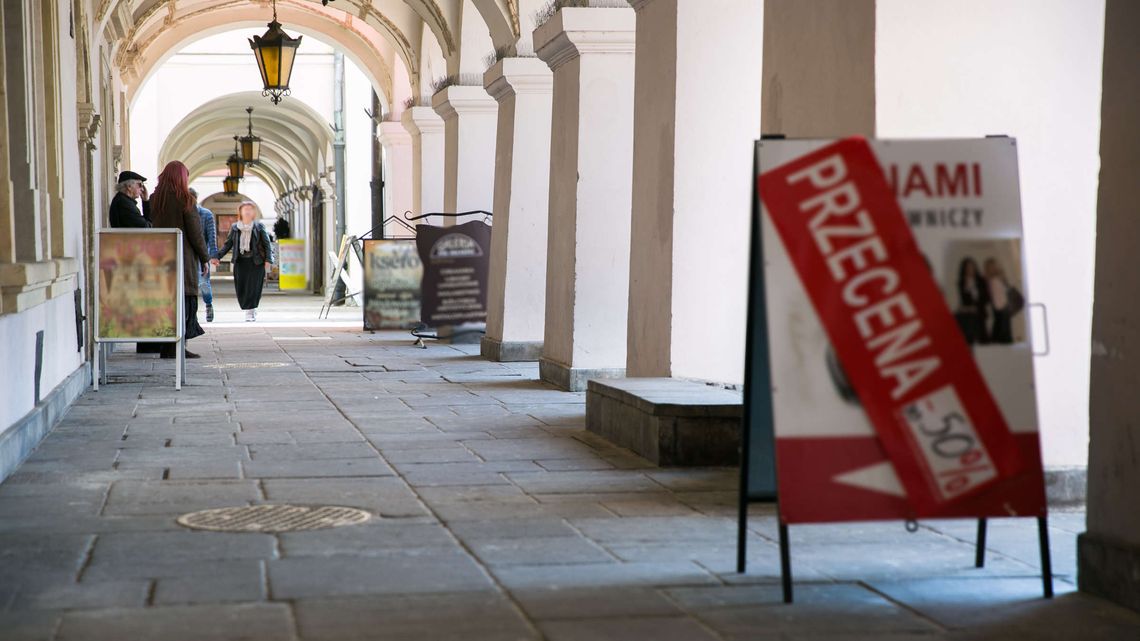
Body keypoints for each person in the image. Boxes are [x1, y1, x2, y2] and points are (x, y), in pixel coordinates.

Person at [149, 161, 211, 358]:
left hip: (160, 258)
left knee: (167, 302)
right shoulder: (186, 200)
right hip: (182, 257)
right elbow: (196, 233)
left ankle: (167, 346)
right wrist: (205, 258)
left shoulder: (154, 199)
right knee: (184, 300)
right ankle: (178, 346)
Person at [215, 201, 273, 322]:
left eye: (250, 209)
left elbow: (267, 244)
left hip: (256, 262)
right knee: (241, 287)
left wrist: (268, 260)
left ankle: (250, 311)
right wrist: (217, 256)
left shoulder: (259, 226)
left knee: (253, 287)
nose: (247, 211)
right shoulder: (235, 227)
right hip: (240, 262)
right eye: (245, 209)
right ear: (240, 212)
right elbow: (228, 244)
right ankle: (248, 307)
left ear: (253, 213)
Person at [189, 188, 218, 322]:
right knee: (188, 285)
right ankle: (191, 313)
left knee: (204, 284)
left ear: (195, 198)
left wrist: (213, 255)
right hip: (187, 255)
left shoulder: (206, 214)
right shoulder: (183, 213)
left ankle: (208, 304)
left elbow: (211, 236)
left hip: (201, 255)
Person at [955, 257, 990, 345]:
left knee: (983, 339)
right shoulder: (962, 282)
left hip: (980, 313)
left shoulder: (981, 281)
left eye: (971, 267)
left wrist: (976, 306)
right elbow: (964, 299)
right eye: (967, 267)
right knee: (968, 339)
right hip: (969, 316)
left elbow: (986, 298)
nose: (970, 270)